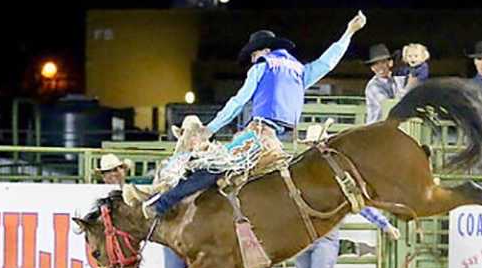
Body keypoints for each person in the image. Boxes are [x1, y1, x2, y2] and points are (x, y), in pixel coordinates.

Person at [146, 11, 367, 217]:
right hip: (279, 142)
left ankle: (162, 203)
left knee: (212, 165)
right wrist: (349, 33)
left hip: (259, 136)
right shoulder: (300, 71)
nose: (252, 60)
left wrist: (210, 128)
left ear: (263, 51)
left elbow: (238, 102)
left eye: (253, 55)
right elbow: (328, 62)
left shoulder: (262, 67)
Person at [364, 43, 406, 124]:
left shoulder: (398, 80)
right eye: (375, 64)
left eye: (383, 62)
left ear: (390, 63)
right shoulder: (373, 86)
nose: (380, 67)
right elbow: (387, 105)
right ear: (372, 68)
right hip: (375, 128)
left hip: (391, 126)